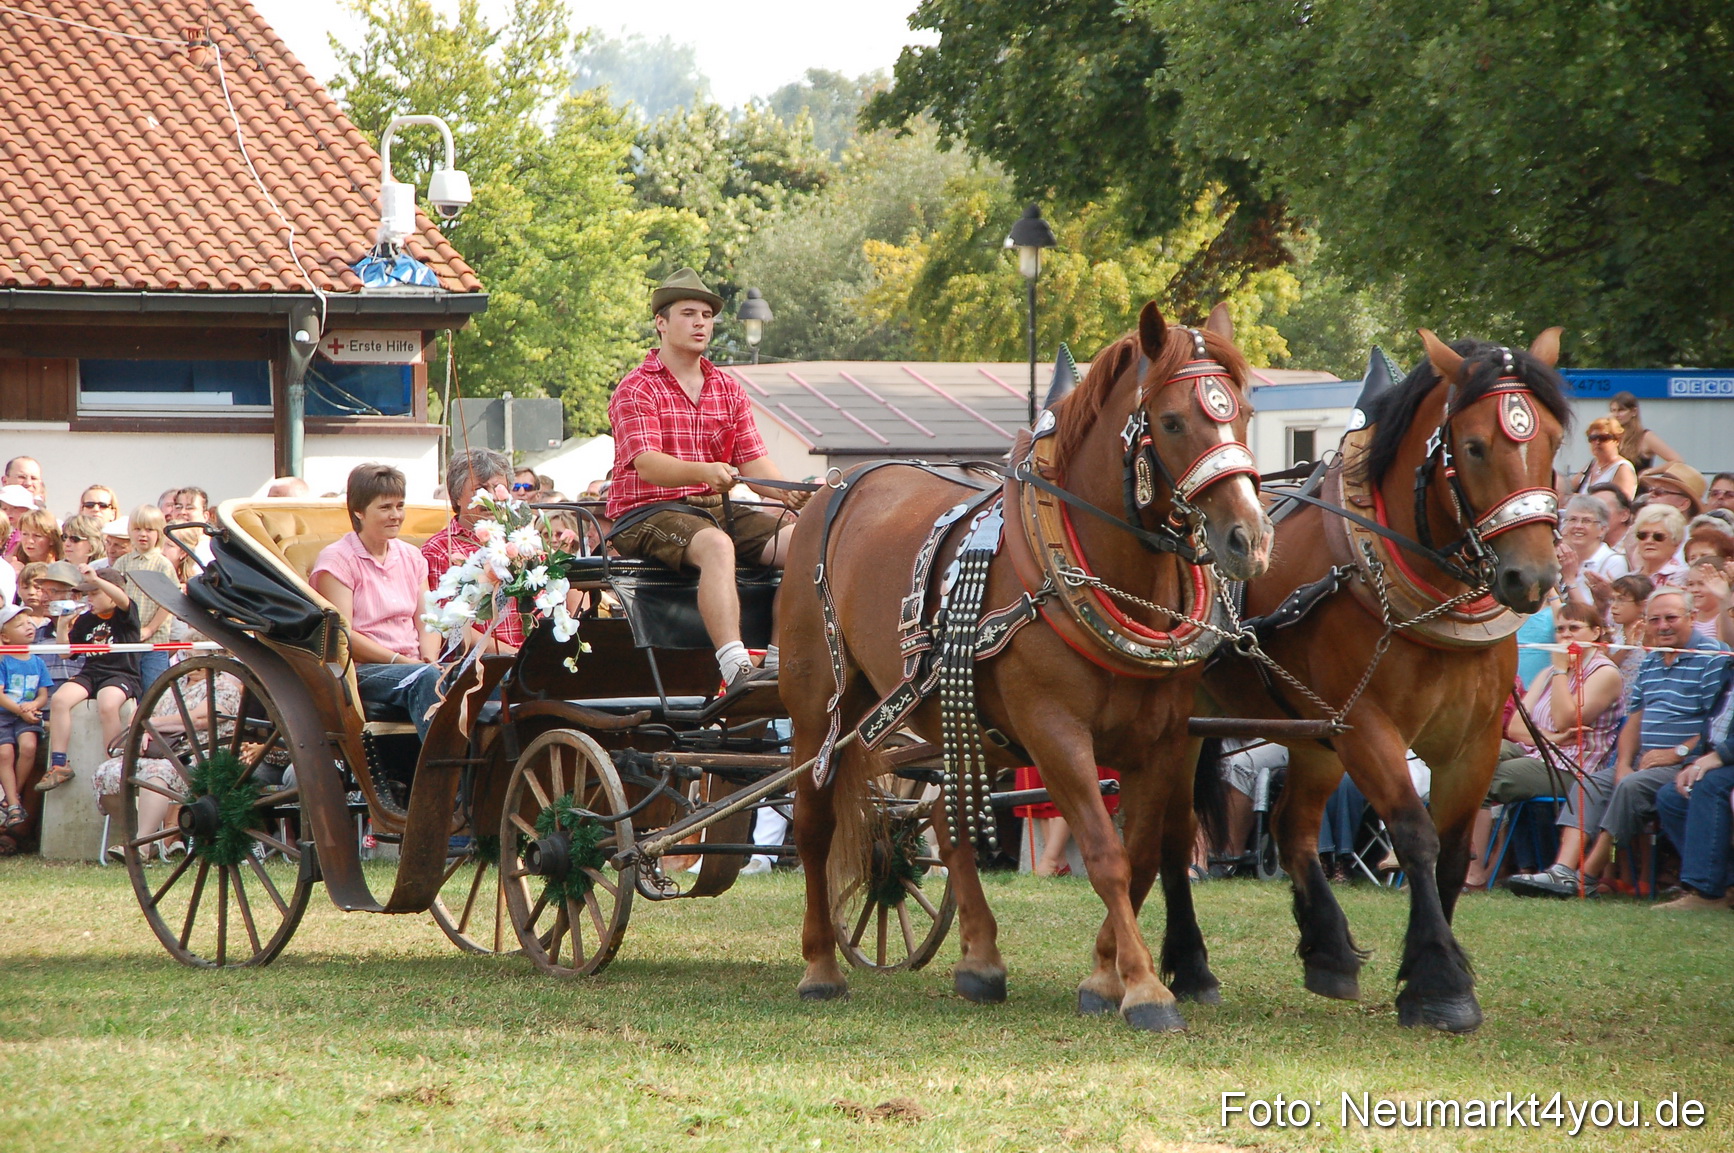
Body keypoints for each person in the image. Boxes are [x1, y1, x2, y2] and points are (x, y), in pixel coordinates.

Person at [605, 268, 811, 686]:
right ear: (661, 323)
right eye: (688, 313)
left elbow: (755, 465)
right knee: (716, 545)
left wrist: (795, 495)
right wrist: (705, 471)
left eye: (707, 314)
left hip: (716, 509)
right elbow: (646, 463)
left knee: (807, 542)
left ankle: (775, 658)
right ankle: (735, 666)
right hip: (647, 512)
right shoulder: (637, 388)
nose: (701, 322)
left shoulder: (728, 389)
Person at [1510, 589, 1730, 897]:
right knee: (1593, 783)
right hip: (1643, 759)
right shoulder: (1652, 661)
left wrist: (1677, 752)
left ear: (1692, 618)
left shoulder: (1710, 656)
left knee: (1631, 786)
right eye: (1655, 619)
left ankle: (1587, 875)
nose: (1662, 626)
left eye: (1671, 618)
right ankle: (1562, 870)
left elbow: (1715, 721)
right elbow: (1635, 719)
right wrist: (1623, 763)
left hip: (1689, 762)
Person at [1465, 604, 1623, 888]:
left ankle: (1473, 875)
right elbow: (1515, 728)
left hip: (1575, 766)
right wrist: (1552, 738)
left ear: (1596, 632)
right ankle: (1449, 860)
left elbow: (1564, 718)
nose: (1565, 636)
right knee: (1472, 757)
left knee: (1485, 781)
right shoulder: (1550, 670)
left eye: (1574, 628)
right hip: (1541, 751)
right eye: (1560, 629)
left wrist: (1561, 672)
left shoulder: (1604, 672)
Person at [310, 464, 444, 739]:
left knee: (483, 675)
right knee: (425, 678)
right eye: (385, 508)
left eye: (400, 506)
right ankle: (445, 776)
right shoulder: (337, 561)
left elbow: (428, 620)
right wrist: (404, 662)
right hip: (363, 670)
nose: (396, 516)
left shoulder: (411, 557)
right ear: (359, 511)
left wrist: (428, 658)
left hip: (415, 665)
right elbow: (343, 636)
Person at [35, 564, 141, 792]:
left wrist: (97, 579)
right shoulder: (86, 620)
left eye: (95, 593)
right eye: (87, 594)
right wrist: (63, 626)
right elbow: (65, 653)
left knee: (108, 702)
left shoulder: (125, 615)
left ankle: (113, 763)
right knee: (61, 699)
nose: (89, 599)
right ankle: (59, 763)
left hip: (121, 673)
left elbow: (123, 600)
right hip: (91, 673)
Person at [421, 448, 524, 655]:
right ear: (457, 496)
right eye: (480, 489)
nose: (491, 497)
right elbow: (450, 625)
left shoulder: (520, 540)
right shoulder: (439, 550)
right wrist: (514, 656)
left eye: (498, 488)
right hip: (481, 664)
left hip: (532, 660)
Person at [1653, 685, 1734, 910]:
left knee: (1709, 785)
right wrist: (1695, 762)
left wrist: (1720, 756)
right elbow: (1710, 729)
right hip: (1719, 759)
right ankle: (1728, 885)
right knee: (1671, 797)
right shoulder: (1728, 669)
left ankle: (1706, 891)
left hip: (1726, 761)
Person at [109, 505, 179, 690]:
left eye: (149, 530)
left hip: (154, 643)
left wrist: (149, 628)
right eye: (137, 529)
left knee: (154, 689)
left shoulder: (162, 564)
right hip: (126, 641)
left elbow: (168, 602)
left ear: (159, 533)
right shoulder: (122, 562)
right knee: (130, 688)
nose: (143, 534)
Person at [0, 603, 50, 829]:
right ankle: (13, 802)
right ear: (5, 637)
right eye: (19, 625)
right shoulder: (3, 660)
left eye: (29, 623)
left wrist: (33, 706)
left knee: (29, 746)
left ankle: (12, 799)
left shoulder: (38, 661)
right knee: (5, 753)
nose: (28, 627)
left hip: (25, 715)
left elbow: (43, 693)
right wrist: (22, 709)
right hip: (5, 715)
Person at [1558, 494, 1626, 610]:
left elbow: (1591, 617)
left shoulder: (1613, 561)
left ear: (1602, 529)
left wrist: (1570, 580)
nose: (1578, 526)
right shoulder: (1562, 557)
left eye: (1586, 521)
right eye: (1573, 519)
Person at [1606, 392, 1680, 472]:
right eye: (1613, 410)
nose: (1616, 415)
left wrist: (1649, 472)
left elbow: (1677, 461)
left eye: (1621, 410)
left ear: (1634, 412)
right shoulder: (1610, 435)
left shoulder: (1645, 437)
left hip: (1638, 483)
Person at [1569, 417, 1637, 500]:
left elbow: (1621, 503)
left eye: (1603, 438)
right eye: (1593, 438)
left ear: (1617, 440)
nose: (1597, 442)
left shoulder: (1622, 469)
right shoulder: (1591, 465)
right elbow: (1569, 489)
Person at [1627, 504, 1687, 586]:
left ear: (1676, 542)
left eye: (1658, 536)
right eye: (1642, 535)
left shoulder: (1685, 578)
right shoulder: (1628, 579)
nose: (1649, 541)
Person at [174, 486, 215, 565]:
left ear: (205, 516)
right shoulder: (164, 545)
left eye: (190, 508)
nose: (182, 512)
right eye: (178, 507)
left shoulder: (211, 548)